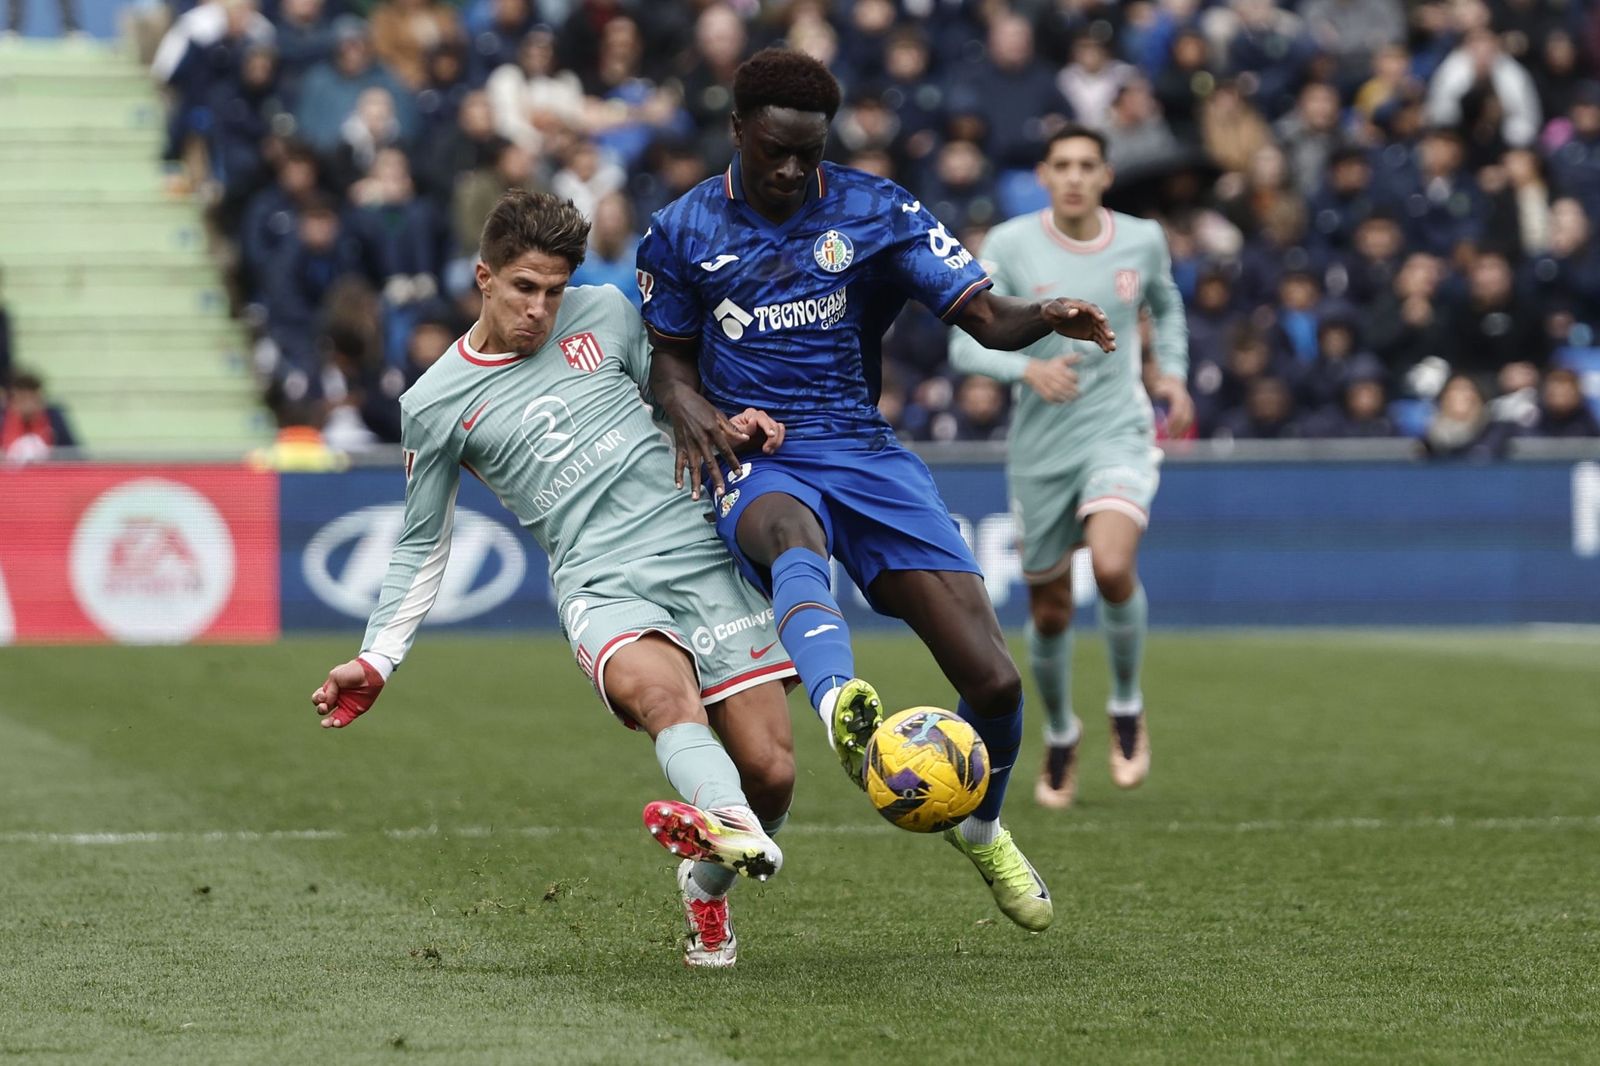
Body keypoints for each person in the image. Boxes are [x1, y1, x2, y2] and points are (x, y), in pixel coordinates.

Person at [639, 49, 1117, 933]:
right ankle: (840, 704)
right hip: (756, 451)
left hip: (863, 450)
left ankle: (981, 827)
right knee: (791, 536)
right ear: (738, 130)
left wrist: (1043, 315)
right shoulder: (681, 230)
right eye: (774, 151)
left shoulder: (877, 209)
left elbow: (983, 316)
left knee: (998, 684)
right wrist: (693, 409)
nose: (790, 170)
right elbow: (665, 359)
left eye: (807, 154)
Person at [309, 190, 800, 968]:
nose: (539, 308)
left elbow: (676, 388)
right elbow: (420, 542)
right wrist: (377, 657)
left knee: (772, 771)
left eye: (553, 290)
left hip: (696, 553)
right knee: (666, 698)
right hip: (600, 583)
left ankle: (707, 881)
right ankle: (732, 822)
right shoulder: (433, 404)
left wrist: (727, 418)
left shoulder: (605, 312)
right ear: (484, 277)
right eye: (523, 288)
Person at [949, 125, 1190, 811]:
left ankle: (1126, 704)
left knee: (1113, 567)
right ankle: (1060, 732)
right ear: (1044, 175)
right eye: (1064, 165)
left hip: (1119, 428)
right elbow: (965, 347)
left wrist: (1170, 373)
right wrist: (1026, 366)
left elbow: (1166, 308)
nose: (1077, 176)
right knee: (1049, 611)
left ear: (1106, 176)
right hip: (1041, 451)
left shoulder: (1142, 239)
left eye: (1089, 165)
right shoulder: (1011, 245)